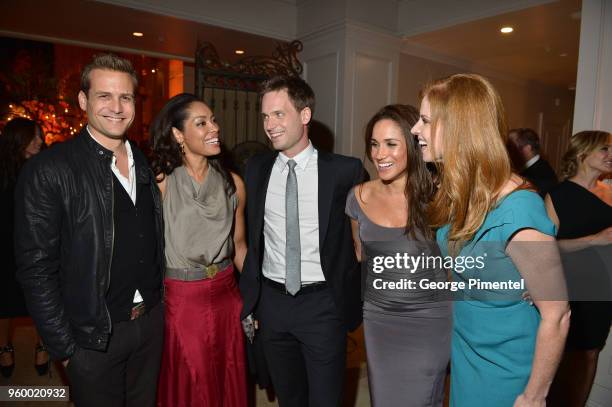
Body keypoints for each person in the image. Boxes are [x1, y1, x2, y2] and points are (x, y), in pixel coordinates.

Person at [411, 73, 570, 407]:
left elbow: (557, 314)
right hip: (467, 351)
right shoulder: (462, 193)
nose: (415, 129)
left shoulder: (518, 209)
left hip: (506, 370)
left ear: (458, 129)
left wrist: (534, 396)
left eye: (424, 120)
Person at [14, 54, 164, 406]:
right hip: (92, 339)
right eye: (104, 96)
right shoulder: (48, 170)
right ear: (83, 101)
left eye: (125, 97)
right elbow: (36, 270)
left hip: (150, 326)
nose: (116, 107)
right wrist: (66, 351)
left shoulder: (142, 159)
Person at [239, 75, 364, 407]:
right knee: (289, 398)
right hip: (273, 303)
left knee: (326, 399)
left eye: (279, 114)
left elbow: (360, 242)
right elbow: (253, 234)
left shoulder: (345, 171)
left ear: (304, 115)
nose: (270, 124)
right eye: (265, 116)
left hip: (322, 305)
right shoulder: (256, 168)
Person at [346, 104, 451, 406]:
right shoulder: (358, 196)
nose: (379, 154)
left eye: (391, 144)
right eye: (375, 144)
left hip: (429, 321)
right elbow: (360, 254)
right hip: (380, 321)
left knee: (421, 399)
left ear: (414, 145)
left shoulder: (439, 195)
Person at [150, 93, 248, 406]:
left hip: (226, 293)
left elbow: (240, 246)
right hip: (182, 299)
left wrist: (259, 297)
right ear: (178, 134)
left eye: (213, 120)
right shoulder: (160, 182)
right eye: (201, 123)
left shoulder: (233, 183)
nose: (213, 128)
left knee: (227, 374)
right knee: (192, 380)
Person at [545, 130, 612, 407]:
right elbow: (546, 248)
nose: (611, 156)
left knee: (591, 353)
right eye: (605, 150)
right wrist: (594, 240)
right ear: (583, 153)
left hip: (603, 286)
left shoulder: (608, 192)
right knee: (564, 355)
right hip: (572, 286)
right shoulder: (557, 195)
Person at [0, 118, 48, 378]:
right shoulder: (4, 171)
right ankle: (4, 349)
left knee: (40, 301)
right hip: (5, 249)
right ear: (18, 140)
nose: (40, 142)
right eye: (34, 137)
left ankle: (44, 345)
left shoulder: (42, 167)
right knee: (5, 304)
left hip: (36, 248)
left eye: (40, 136)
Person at [507, 128, 558, 197]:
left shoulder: (540, 173)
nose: (514, 152)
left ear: (528, 148)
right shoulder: (530, 167)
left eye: (518, 147)